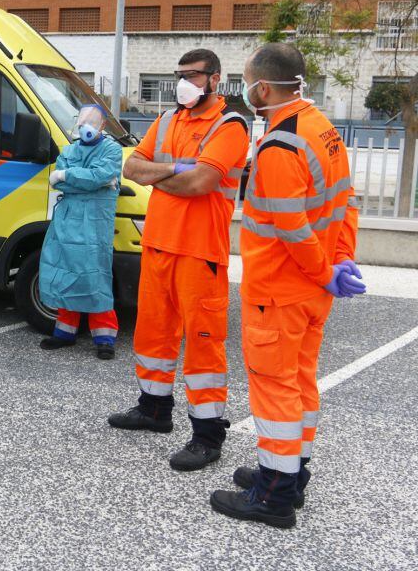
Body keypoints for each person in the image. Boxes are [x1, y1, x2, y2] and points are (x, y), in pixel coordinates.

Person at [210, 43, 364, 529]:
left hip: (280, 290)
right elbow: (346, 203)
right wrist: (339, 262)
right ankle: (291, 475)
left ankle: (273, 496)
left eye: (247, 81)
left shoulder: (280, 144)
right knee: (300, 383)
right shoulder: (322, 130)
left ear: (261, 87)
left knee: (275, 389)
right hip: (312, 293)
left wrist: (323, 270)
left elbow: (290, 227)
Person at [107, 48, 250, 472]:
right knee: (154, 333)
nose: (185, 82)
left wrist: (164, 172)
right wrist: (177, 168)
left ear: (216, 80)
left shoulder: (231, 125)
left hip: (200, 252)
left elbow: (202, 183)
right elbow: (132, 166)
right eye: (180, 74)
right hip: (159, 244)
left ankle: (207, 436)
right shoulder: (168, 120)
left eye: (194, 75)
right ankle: (154, 410)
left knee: (204, 346)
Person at [37, 104, 124, 359]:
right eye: (84, 120)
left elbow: (100, 175)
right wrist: (93, 182)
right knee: (66, 272)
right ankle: (64, 331)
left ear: (103, 125)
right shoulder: (69, 149)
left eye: (93, 120)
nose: (87, 125)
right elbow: (94, 181)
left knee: (95, 275)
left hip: (95, 222)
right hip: (69, 219)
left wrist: (67, 176)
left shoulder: (112, 149)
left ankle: (105, 338)